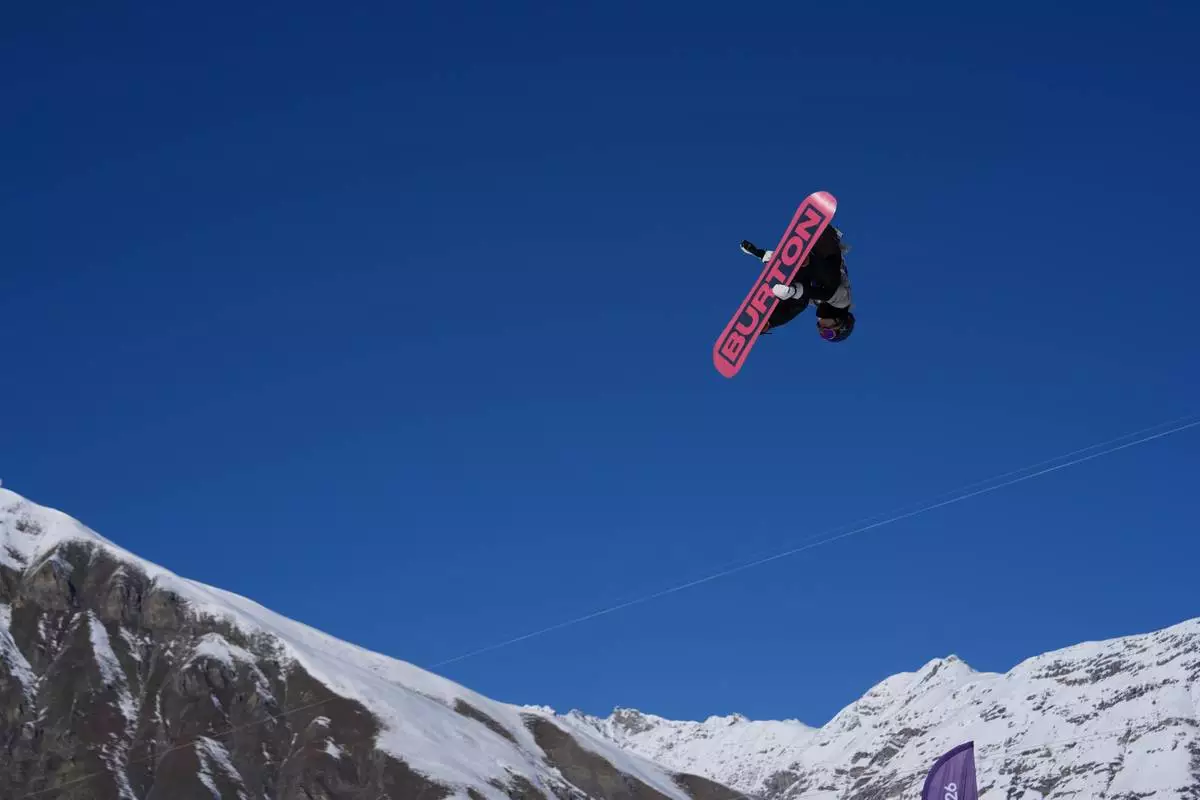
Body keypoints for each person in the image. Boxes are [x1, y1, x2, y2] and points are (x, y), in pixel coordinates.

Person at [740, 224, 855, 342]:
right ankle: (807, 262)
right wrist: (795, 291)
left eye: (821, 334)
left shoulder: (817, 301)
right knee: (823, 288)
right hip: (824, 246)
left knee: (800, 302)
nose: (821, 330)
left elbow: (797, 303)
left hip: (809, 260)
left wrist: (762, 255)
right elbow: (827, 293)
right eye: (827, 333)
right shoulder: (844, 301)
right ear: (841, 323)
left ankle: (767, 321)